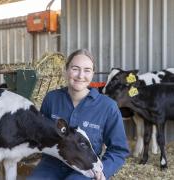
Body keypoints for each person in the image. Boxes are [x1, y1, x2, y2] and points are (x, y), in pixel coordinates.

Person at [27, 49, 129, 180]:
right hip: (51, 165)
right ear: (66, 70)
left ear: (93, 73)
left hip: (86, 167)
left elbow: (119, 150)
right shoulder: (51, 99)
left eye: (87, 70)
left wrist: (104, 170)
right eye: (75, 68)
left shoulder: (108, 106)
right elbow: (41, 135)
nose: (80, 75)